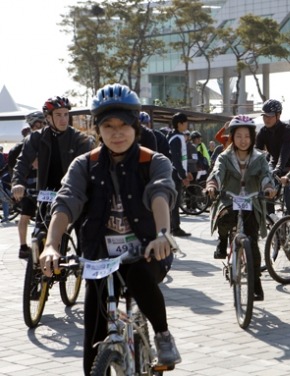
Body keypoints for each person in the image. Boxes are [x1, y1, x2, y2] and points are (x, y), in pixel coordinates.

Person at [38, 83, 181, 375]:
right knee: (93, 335)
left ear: (136, 127)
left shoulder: (153, 161)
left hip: (148, 250)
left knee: (140, 274)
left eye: (123, 125)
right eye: (108, 126)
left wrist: (163, 234)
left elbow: (160, 194)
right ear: (97, 130)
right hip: (100, 258)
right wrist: (52, 245)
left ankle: (163, 335)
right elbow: (66, 203)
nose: (117, 133)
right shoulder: (84, 165)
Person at [205, 115, 276, 301]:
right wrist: (212, 185)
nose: (243, 140)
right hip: (229, 199)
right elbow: (217, 172)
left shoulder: (260, 158)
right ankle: (222, 241)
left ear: (252, 137)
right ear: (232, 137)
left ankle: (256, 284)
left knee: (252, 243)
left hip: (252, 201)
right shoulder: (224, 156)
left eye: (247, 136)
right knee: (224, 219)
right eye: (238, 136)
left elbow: (265, 175)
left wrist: (268, 187)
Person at [12, 96, 93, 241]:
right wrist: (18, 182)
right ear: (48, 118)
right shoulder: (36, 137)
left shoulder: (79, 138)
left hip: (73, 192)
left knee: (85, 237)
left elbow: (88, 167)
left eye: (66, 114)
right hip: (46, 193)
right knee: (39, 236)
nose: (63, 119)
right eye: (58, 115)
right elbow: (23, 161)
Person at [255, 99, 290, 214]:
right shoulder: (263, 132)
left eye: (270, 115)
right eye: (264, 115)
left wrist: (278, 168)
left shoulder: (287, 130)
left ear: (278, 115)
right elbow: (256, 152)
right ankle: (272, 219)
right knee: (266, 191)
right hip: (275, 164)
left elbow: (284, 153)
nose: (267, 118)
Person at [8, 114, 45, 257]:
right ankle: (23, 247)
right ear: (31, 125)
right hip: (28, 187)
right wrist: (16, 185)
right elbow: (14, 166)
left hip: (44, 185)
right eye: (38, 123)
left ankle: (55, 243)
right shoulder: (23, 145)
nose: (41, 126)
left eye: (43, 123)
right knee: (25, 216)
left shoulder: (46, 140)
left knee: (51, 215)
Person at [167, 113, 193, 237]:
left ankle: (173, 227)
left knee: (175, 202)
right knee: (175, 202)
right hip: (174, 173)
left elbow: (182, 158)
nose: (187, 124)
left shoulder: (178, 136)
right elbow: (176, 159)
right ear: (179, 124)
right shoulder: (176, 138)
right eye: (185, 122)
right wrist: (183, 175)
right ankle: (175, 228)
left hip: (177, 172)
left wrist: (186, 172)